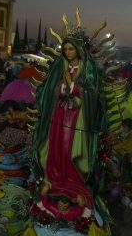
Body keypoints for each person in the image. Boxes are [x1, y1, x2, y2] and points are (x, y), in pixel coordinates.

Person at [32, 36, 107, 221]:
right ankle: (55, 180)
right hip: (58, 114)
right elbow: (48, 89)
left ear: (78, 50)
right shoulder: (60, 66)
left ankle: (72, 182)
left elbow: (92, 93)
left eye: (71, 49)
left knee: (68, 150)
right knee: (55, 148)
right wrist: (61, 88)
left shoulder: (86, 68)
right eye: (65, 49)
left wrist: (72, 86)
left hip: (77, 118)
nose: (68, 52)